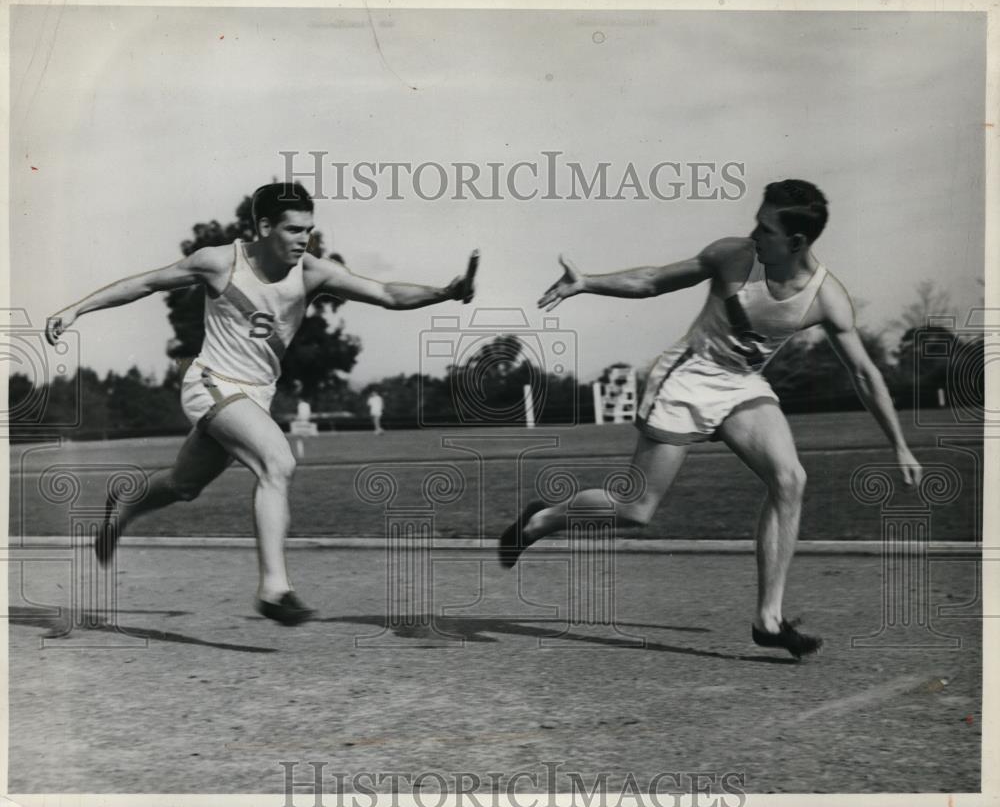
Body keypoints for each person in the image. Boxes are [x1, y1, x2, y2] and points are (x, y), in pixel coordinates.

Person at [499, 179, 923, 659]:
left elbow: (864, 374)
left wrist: (900, 445)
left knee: (790, 479)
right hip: (687, 378)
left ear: (797, 242)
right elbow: (654, 280)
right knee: (635, 509)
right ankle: (540, 521)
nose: (753, 233)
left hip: (741, 386)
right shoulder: (733, 256)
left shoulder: (827, 298)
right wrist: (588, 282)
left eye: (765, 228)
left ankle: (768, 619)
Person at [45, 182, 477, 625]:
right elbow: (146, 282)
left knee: (183, 485)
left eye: (308, 229)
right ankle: (274, 588)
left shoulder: (312, 273)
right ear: (264, 226)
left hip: (254, 396)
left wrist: (444, 292)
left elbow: (387, 294)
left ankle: (124, 505)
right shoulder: (218, 263)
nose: (303, 239)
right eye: (293, 230)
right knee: (277, 462)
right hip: (211, 384)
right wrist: (76, 309)